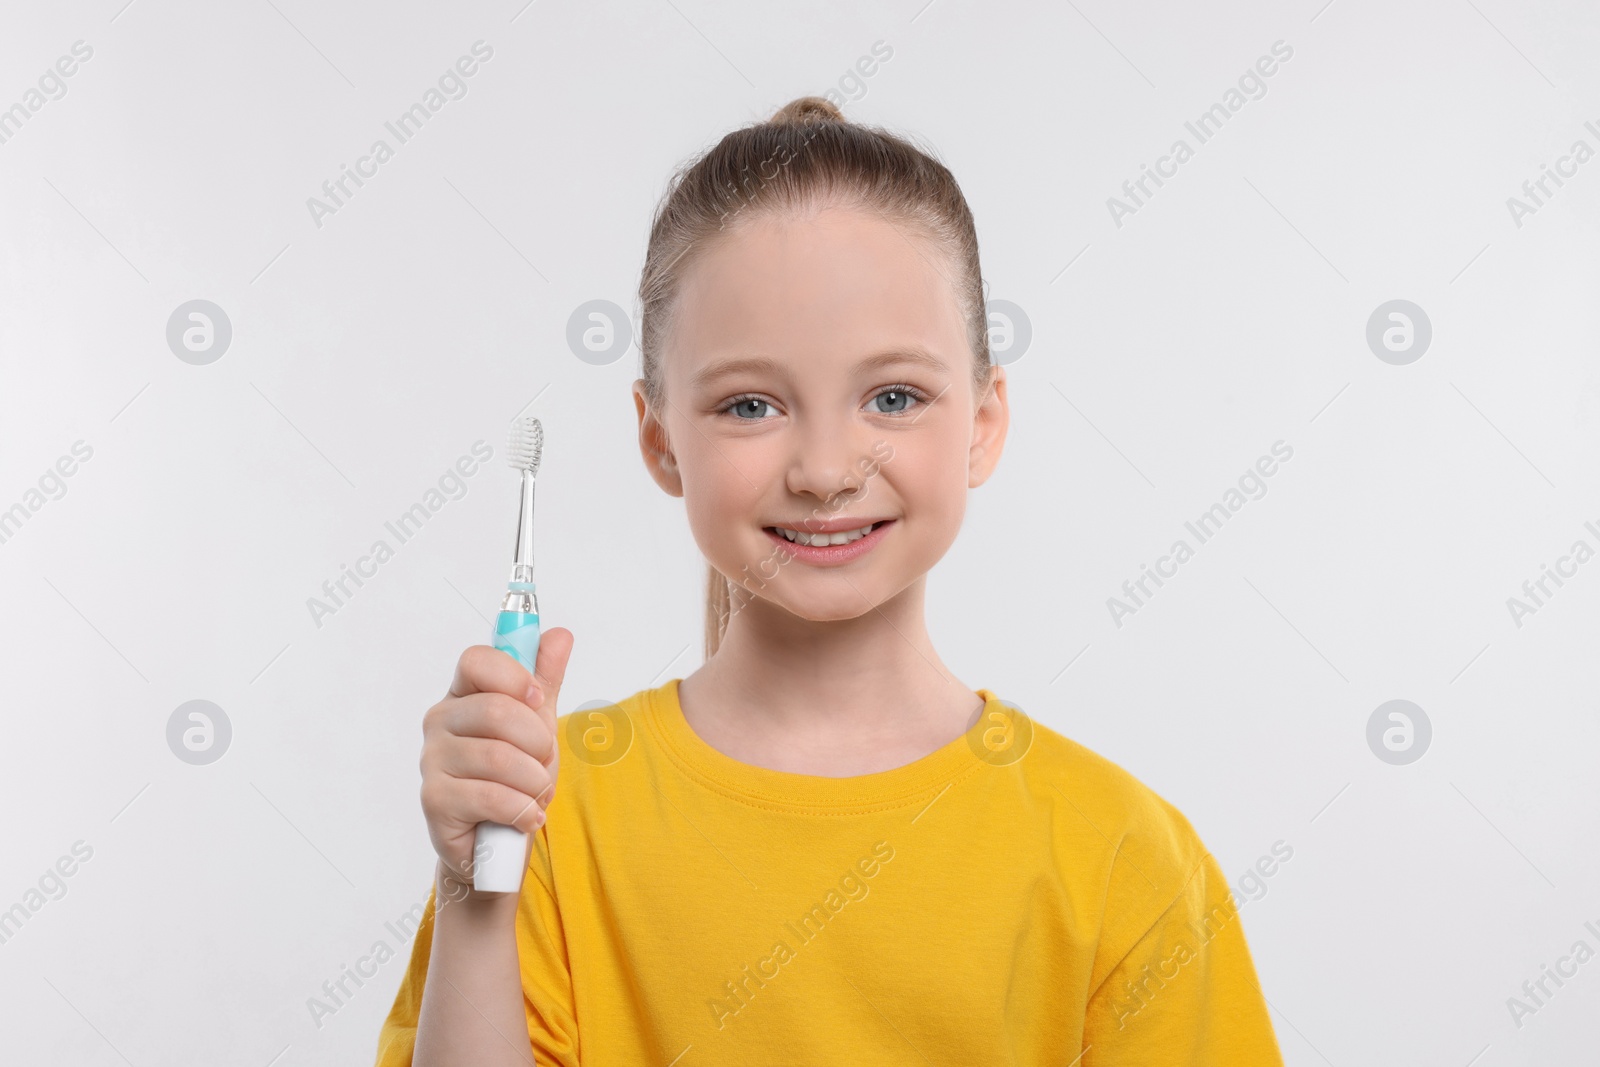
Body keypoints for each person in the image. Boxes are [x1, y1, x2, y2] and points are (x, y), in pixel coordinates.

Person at [374, 94, 1284, 1065]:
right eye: (751, 403)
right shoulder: (549, 816)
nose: (822, 467)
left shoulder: (1121, 855)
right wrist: (476, 889)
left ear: (981, 420)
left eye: (892, 396)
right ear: (659, 438)